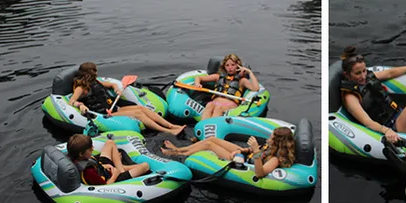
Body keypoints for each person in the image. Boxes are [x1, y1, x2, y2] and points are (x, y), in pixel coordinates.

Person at [67, 62, 185, 135]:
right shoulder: (81, 88)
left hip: (112, 108)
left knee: (141, 108)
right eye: (94, 71)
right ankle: (168, 131)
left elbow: (110, 85)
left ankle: (170, 125)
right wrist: (80, 105)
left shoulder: (96, 82)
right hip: (103, 114)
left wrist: (116, 88)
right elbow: (72, 101)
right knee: (139, 114)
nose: (97, 73)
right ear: (89, 73)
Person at [162, 126, 297, 177]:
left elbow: (259, 173)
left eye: (272, 137)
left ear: (278, 142)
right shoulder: (271, 147)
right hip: (245, 154)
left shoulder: (275, 159)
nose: (269, 138)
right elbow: (259, 151)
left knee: (209, 144)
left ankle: (178, 153)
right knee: (213, 138)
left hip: (242, 163)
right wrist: (244, 149)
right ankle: (179, 149)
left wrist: (255, 151)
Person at [188, 54, 262, 119]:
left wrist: (249, 72)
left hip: (229, 105)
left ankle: (211, 128)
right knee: (209, 105)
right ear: (224, 67)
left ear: (238, 66)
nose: (230, 67)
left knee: (218, 108)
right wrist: (197, 83)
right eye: (227, 65)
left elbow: (256, 88)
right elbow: (199, 77)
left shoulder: (242, 81)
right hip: (215, 103)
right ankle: (202, 127)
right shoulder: (218, 77)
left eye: (233, 65)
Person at [67, 133, 150, 185]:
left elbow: (94, 164)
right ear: (81, 153)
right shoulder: (89, 172)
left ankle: (121, 168)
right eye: (90, 149)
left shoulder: (77, 158)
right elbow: (105, 185)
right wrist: (115, 174)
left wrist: (105, 166)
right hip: (112, 177)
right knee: (145, 166)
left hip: (102, 169)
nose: (93, 148)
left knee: (110, 143)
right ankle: (121, 170)